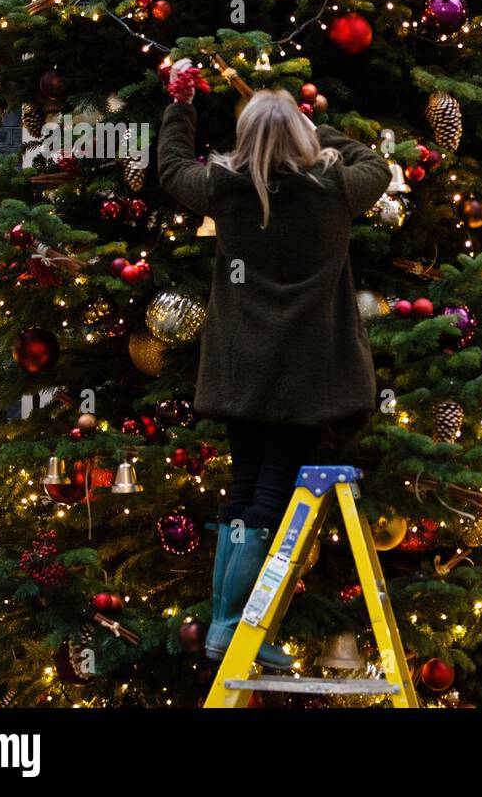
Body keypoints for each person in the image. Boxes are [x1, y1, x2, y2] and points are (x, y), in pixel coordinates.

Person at [158, 63, 391, 666]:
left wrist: (181, 105)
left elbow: (170, 167)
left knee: (244, 485)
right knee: (269, 492)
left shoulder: (221, 188)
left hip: (240, 367)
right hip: (308, 370)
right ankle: (235, 627)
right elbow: (378, 164)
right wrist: (315, 127)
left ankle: (222, 624)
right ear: (302, 138)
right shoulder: (337, 188)